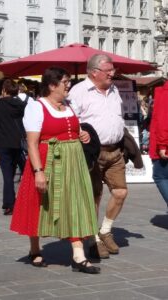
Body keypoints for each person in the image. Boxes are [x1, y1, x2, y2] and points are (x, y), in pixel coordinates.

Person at [10, 67, 100, 274]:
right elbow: (32, 143)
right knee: (39, 203)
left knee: (74, 203)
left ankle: (79, 255)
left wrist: (82, 134)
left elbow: (74, 130)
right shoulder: (36, 107)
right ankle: (34, 248)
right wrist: (38, 171)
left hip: (73, 161)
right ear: (52, 85)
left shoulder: (70, 105)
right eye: (65, 82)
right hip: (48, 159)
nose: (68, 85)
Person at [68, 54, 128, 259]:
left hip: (115, 151)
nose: (112, 73)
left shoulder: (114, 89)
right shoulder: (79, 91)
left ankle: (105, 230)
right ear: (94, 72)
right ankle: (93, 238)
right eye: (108, 70)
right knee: (94, 197)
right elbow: (70, 120)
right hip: (92, 152)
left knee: (120, 192)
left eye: (113, 69)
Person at [0, 79, 26, 215]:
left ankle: (9, 203)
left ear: (4, 90)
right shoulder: (21, 105)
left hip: (3, 143)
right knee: (21, 171)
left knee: (7, 174)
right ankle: (20, 200)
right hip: (17, 143)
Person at [149, 81, 168, 213]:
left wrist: (162, 145)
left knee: (160, 176)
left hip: (164, 144)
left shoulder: (164, 93)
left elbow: (163, 121)